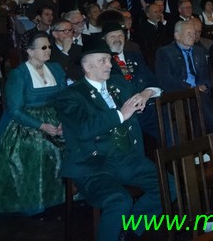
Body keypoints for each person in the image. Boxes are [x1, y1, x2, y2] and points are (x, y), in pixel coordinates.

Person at [55, 35, 174, 241]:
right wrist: (121, 114)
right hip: (94, 165)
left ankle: (127, 231)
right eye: (102, 60)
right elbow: (83, 129)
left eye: (109, 60)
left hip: (129, 159)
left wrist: (145, 94)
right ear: (87, 66)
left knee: (170, 186)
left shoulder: (118, 83)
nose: (109, 64)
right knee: (120, 200)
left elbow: (155, 86)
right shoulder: (71, 95)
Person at [0, 31, 66, 215]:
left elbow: (65, 99)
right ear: (30, 51)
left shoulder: (56, 69)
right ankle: (36, 200)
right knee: (38, 147)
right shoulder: (19, 74)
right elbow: (15, 110)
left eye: (49, 46)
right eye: (43, 47)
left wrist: (64, 122)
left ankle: (66, 195)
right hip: (26, 122)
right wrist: (41, 126)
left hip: (56, 117)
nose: (48, 50)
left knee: (74, 140)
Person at [155, 18, 213, 134]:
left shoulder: (199, 51)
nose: (193, 36)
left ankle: (210, 142)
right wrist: (190, 89)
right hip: (178, 95)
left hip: (199, 94)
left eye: (194, 33)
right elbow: (165, 80)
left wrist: (205, 85)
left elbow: (206, 75)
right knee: (203, 106)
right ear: (177, 35)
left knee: (205, 102)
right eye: (188, 33)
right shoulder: (165, 52)